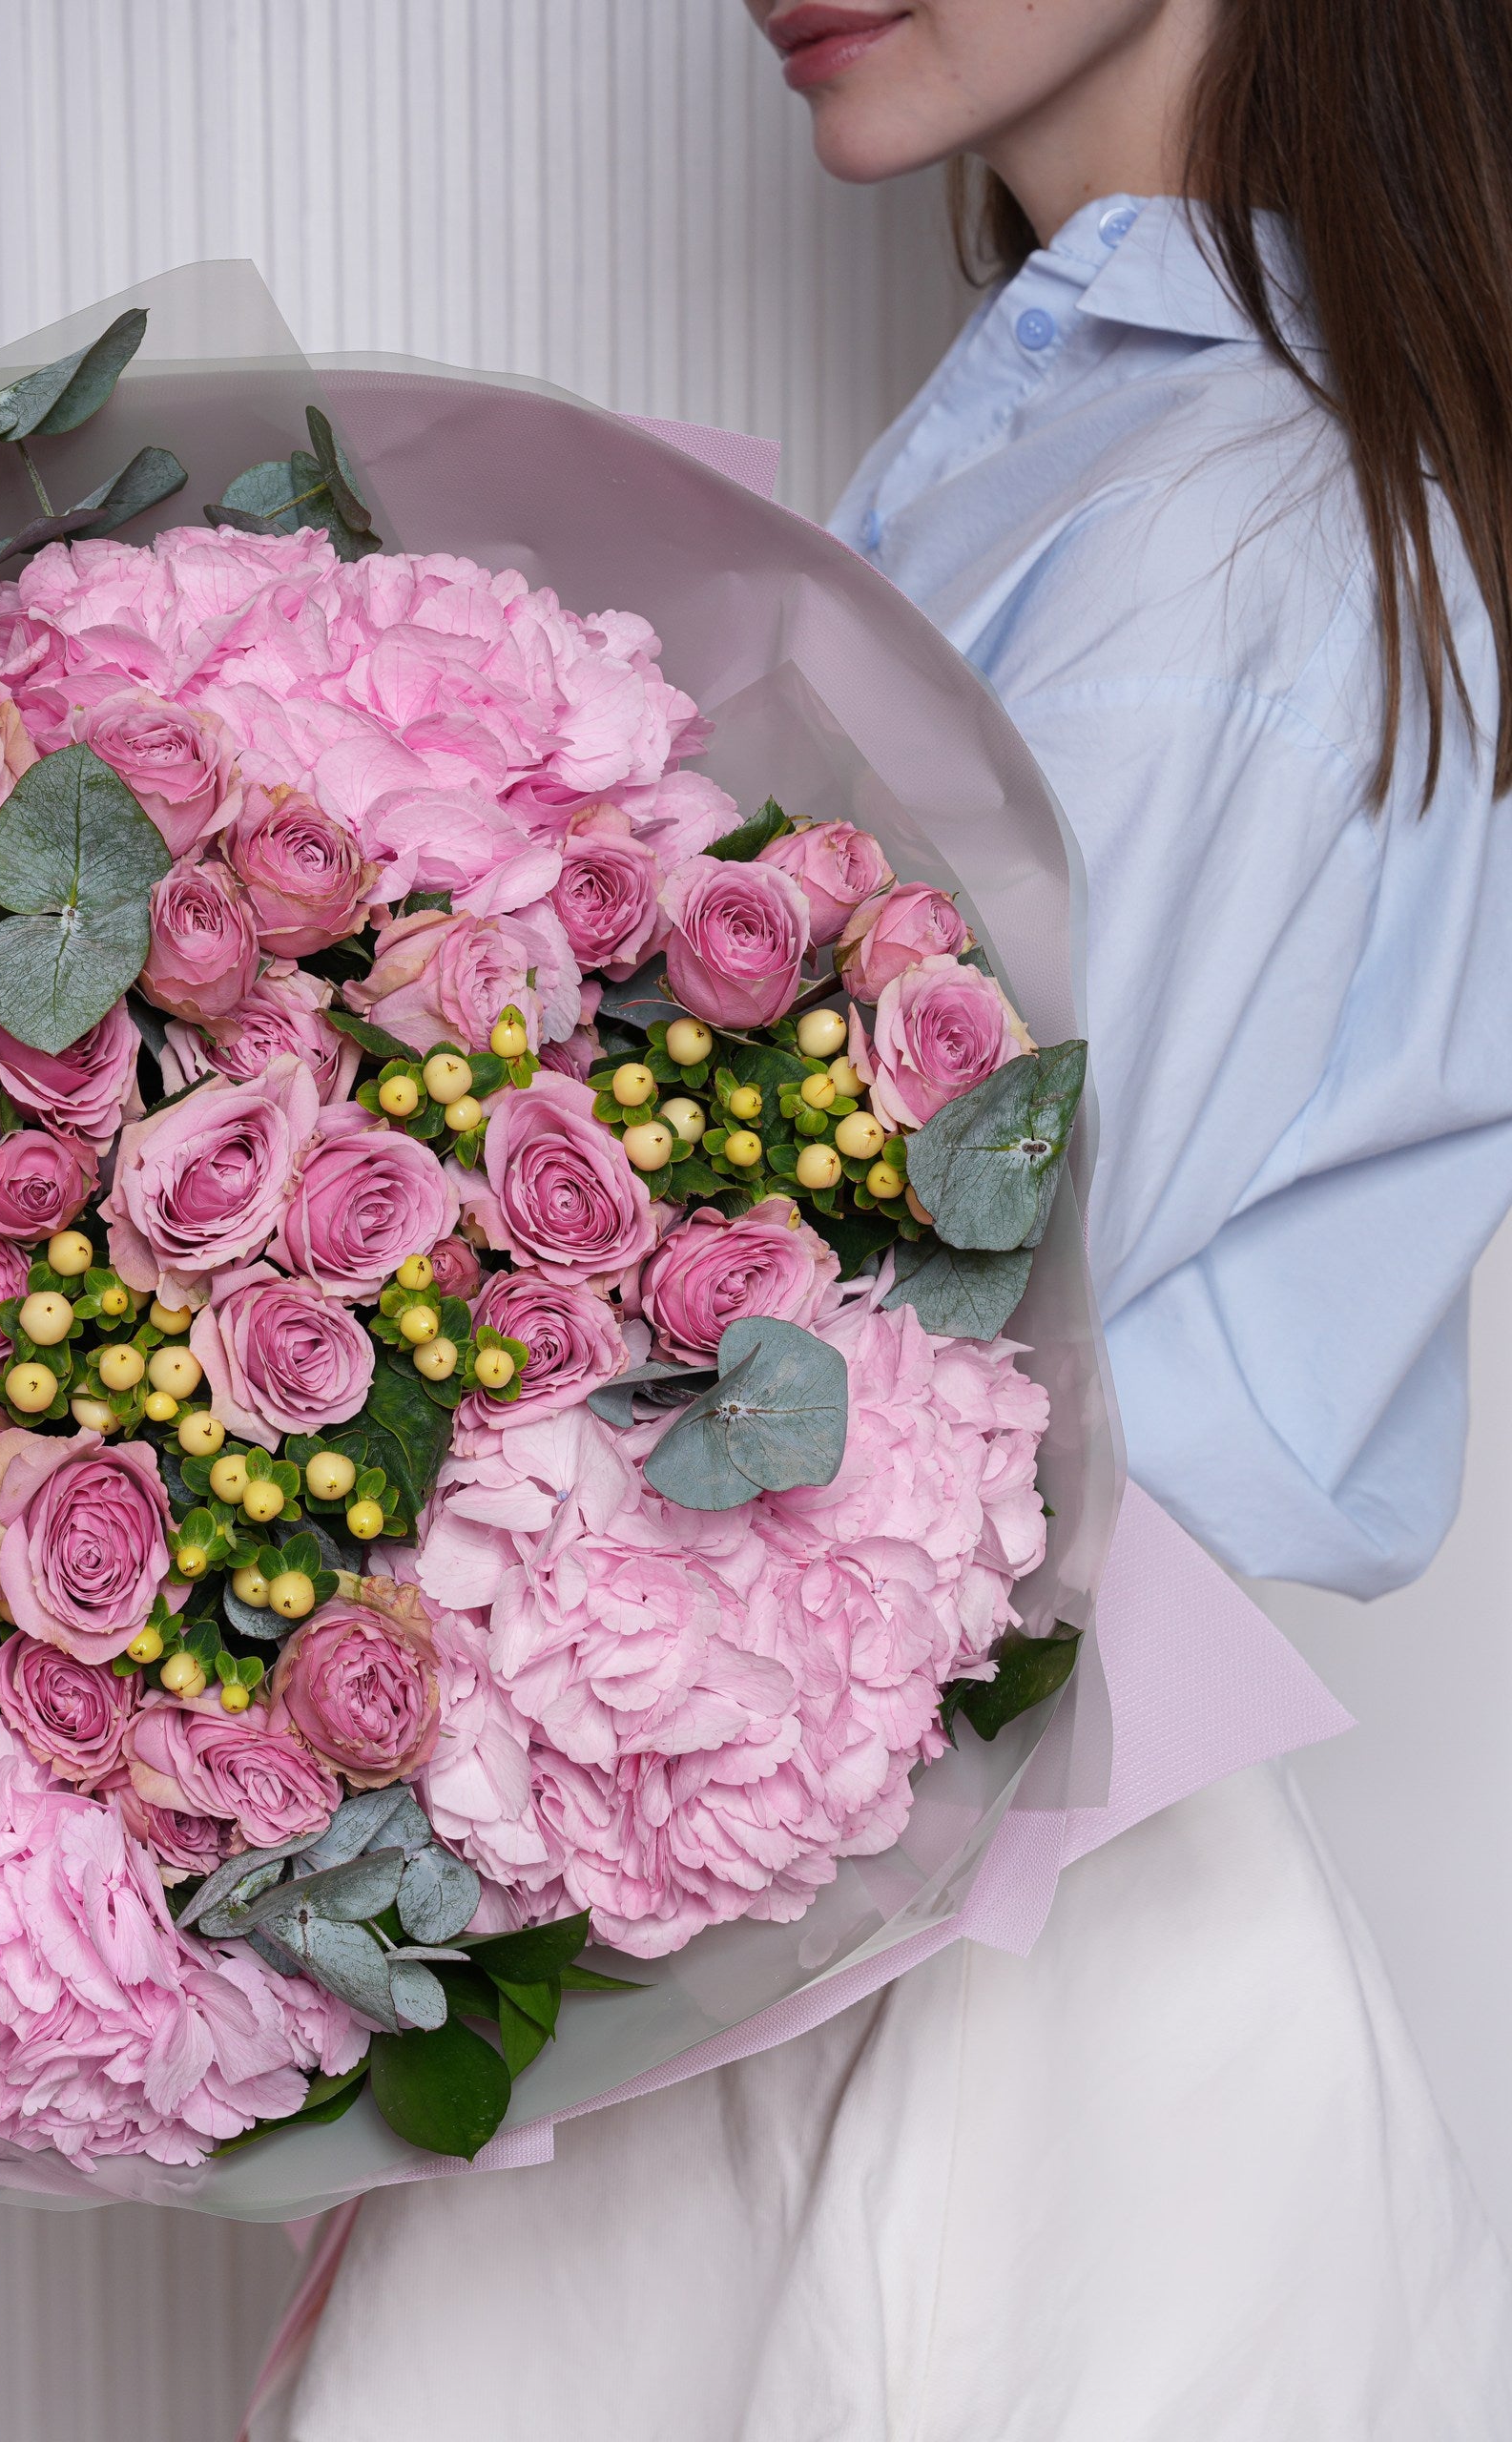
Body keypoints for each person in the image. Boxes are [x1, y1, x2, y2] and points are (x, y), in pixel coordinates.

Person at [259, 1, 1512, 2432]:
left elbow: (918, 1355)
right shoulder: (1090, 447)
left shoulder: (1226, 518)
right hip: (854, 1910)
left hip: (981, 2004)